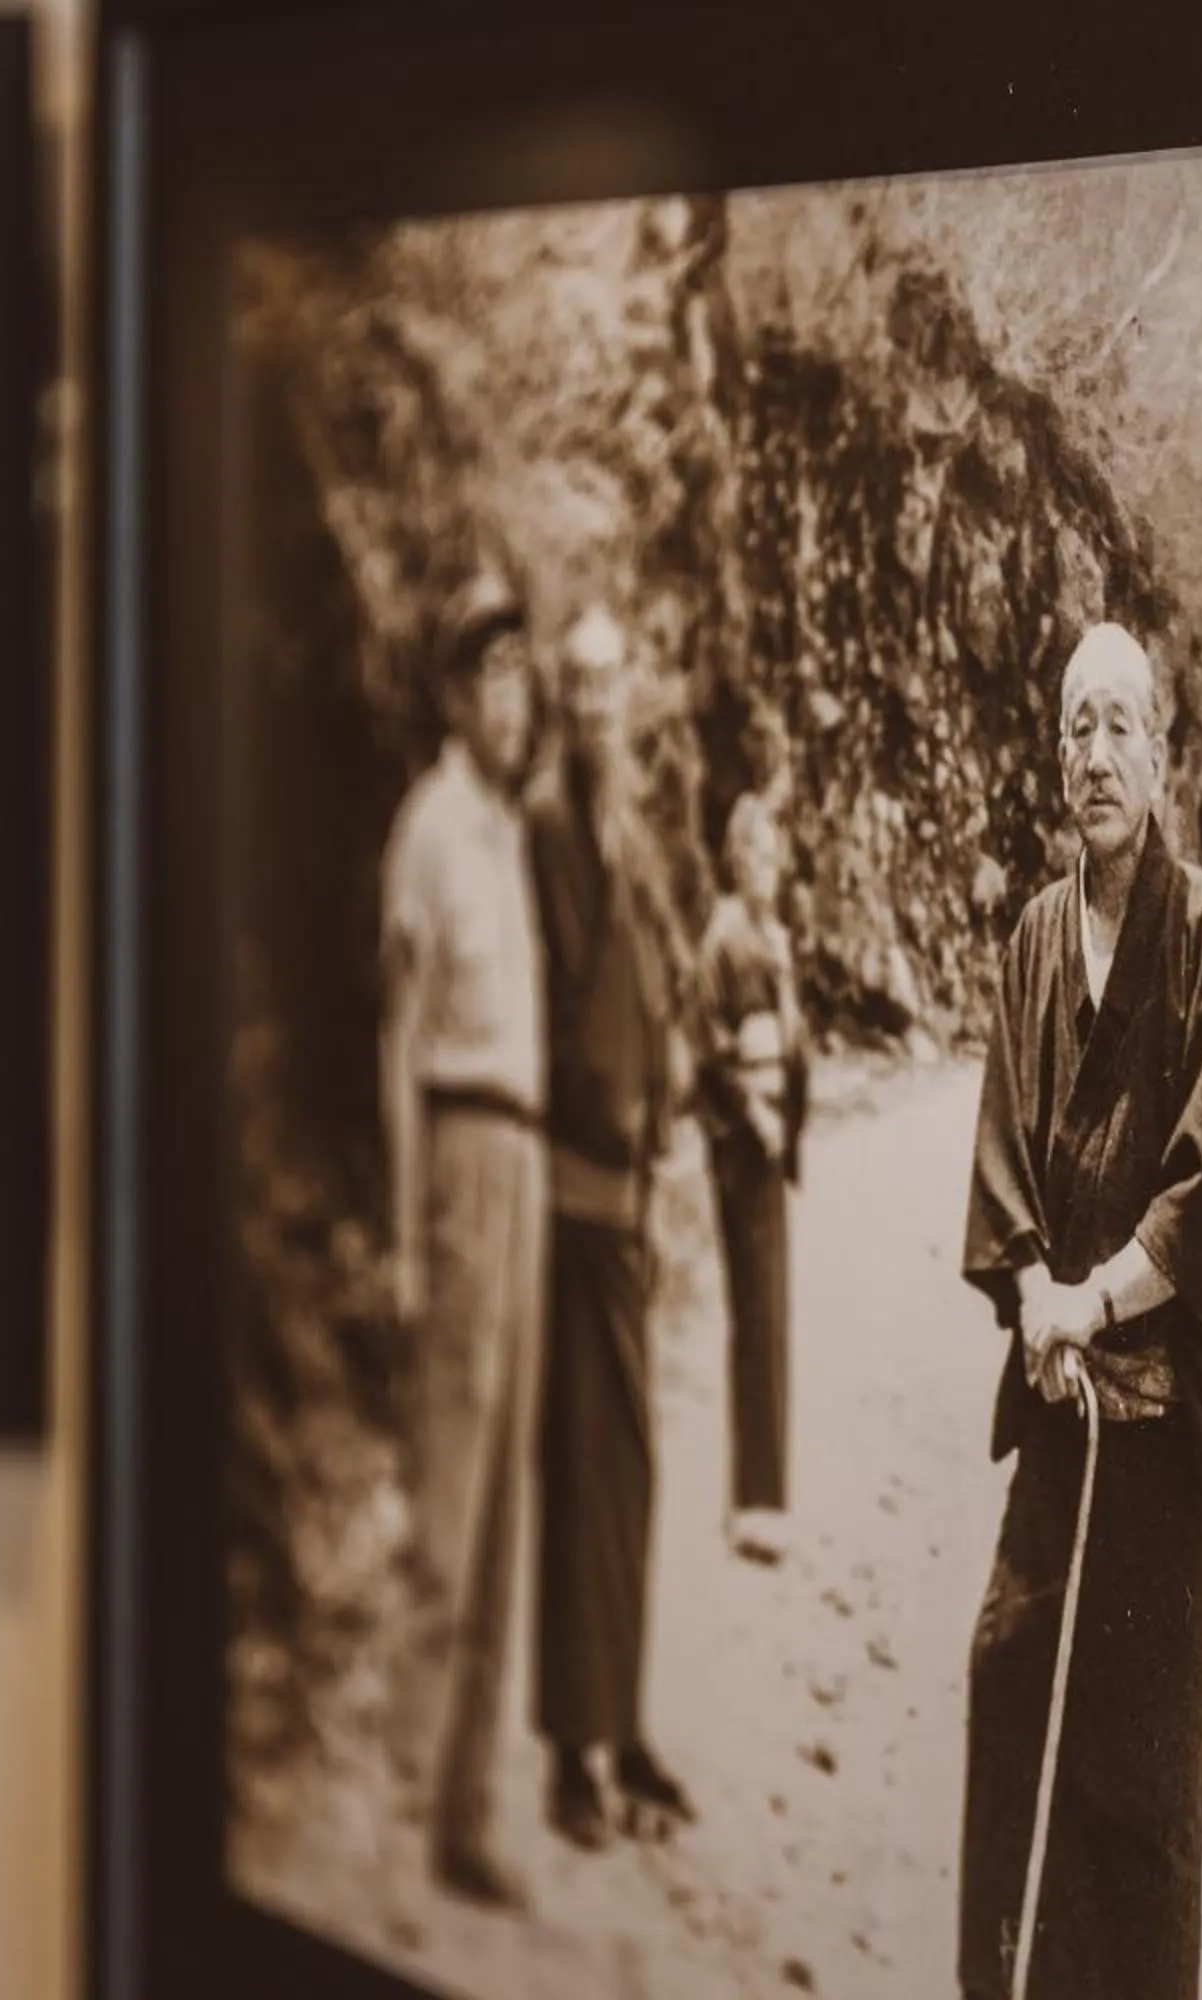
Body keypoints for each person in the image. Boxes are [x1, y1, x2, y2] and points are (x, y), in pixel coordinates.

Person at [954, 620, 1202, 1999]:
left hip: (1152, 1449)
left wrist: (1100, 1299)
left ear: (1164, 755)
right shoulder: (1034, 938)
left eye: (1120, 728)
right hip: (1057, 1419)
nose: (1095, 756)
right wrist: (1036, 1289)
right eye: (1074, 728)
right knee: (1012, 1699)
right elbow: (1001, 1159)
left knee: (1136, 1795)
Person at [376, 556, 547, 1914]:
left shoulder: (506, 830)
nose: (517, 692)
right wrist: (404, 1235)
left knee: (503, 1506)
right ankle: (393, 1824)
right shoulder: (431, 827)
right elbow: (398, 1040)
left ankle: (465, 1818)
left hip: (527, 1167)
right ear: (453, 689)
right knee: (445, 1497)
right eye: (494, 670)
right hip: (458, 1155)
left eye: (522, 668)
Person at [525, 601, 697, 1849]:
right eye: (576, 687)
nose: (595, 707)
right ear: (557, 698)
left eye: (609, 685)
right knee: (581, 1459)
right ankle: (571, 1756)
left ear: (632, 693)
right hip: (569, 1182)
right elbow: (567, 1001)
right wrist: (622, 1105)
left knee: (629, 1463)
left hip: (625, 1186)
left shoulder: (624, 822)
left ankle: (625, 1719)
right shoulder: (548, 821)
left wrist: (668, 1091)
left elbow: (655, 974)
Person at [692, 790, 809, 1566]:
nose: (763, 868)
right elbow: (708, 1047)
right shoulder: (726, 939)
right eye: (753, 856)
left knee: (771, 1317)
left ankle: (764, 1496)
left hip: (770, 1139)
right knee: (755, 1312)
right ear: (735, 862)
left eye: (772, 855)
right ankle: (752, 1503)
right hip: (744, 1141)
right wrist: (755, 1113)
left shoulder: (771, 934)